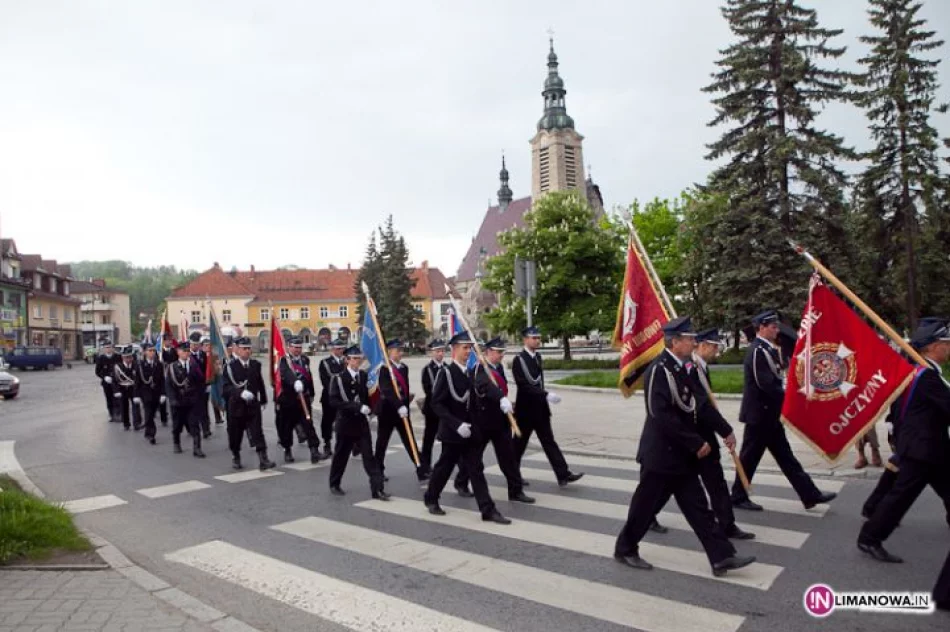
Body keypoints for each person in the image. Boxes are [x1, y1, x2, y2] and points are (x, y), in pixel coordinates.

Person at [614, 316, 756, 577]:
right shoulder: (659, 370)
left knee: (699, 507)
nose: (694, 342)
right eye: (690, 339)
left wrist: (725, 429)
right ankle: (625, 548)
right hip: (660, 456)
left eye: (693, 338)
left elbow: (701, 405)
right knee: (644, 507)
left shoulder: (685, 367)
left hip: (681, 456)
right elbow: (660, 414)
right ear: (675, 341)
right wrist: (695, 441)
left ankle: (721, 557)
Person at [858, 320, 950, 563]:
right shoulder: (927, 377)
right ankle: (869, 538)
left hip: (930, 447)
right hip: (922, 450)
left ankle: (870, 536)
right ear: (932, 347)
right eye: (946, 344)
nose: (948, 349)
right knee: (899, 498)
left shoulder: (918, 371)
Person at [730, 310, 836, 511]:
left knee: (784, 457)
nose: (776, 330)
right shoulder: (757, 351)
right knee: (750, 458)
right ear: (761, 328)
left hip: (769, 415)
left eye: (776, 326)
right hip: (760, 415)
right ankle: (738, 495)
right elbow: (766, 385)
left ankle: (809, 494)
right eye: (772, 326)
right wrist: (790, 397)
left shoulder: (768, 349)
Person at [423, 331, 511, 524]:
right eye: (465, 348)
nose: (468, 351)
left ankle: (487, 509)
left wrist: (501, 398)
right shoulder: (445, 373)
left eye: (470, 348)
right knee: (444, 467)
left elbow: (484, 387)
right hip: (453, 432)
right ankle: (431, 497)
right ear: (454, 350)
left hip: (470, 431)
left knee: (476, 469)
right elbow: (436, 404)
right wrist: (456, 424)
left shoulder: (470, 372)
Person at [675, 329, 753, 539]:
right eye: (715, 346)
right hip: (691, 438)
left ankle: (727, 525)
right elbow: (701, 405)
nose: (717, 351)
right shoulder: (690, 368)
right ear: (703, 345)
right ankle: (647, 516)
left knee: (715, 481)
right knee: (665, 483)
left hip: (704, 434)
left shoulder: (700, 368)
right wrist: (725, 430)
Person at [460, 337, 535, 504]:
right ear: (488, 352)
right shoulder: (479, 368)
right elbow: (484, 386)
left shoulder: (499, 367)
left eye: (503, 352)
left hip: (501, 421)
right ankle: (461, 482)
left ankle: (515, 491)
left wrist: (504, 401)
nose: (501, 355)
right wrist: (500, 397)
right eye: (498, 352)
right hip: (482, 421)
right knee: (474, 457)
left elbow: (500, 385)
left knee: (508, 456)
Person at [511, 326, 583, 486]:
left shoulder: (537, 357)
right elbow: (524, 385)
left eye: (538, 338)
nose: (537, 341)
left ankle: (563, 474)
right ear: (525, 339)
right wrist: (546, 394)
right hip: (525, 411)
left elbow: (538, 381)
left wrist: (544, 397)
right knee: (518, 445)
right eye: (534, 338)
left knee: (549, 442)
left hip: (541, 409)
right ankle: (513, 475)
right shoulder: (519, 360)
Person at [327, 345, 388, 499]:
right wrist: (357, 407)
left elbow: (366, 397)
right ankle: (334, 483)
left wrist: (371, 410)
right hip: (345, 424)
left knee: (369, 457)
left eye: (359, 358)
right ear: (347, 360)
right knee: (341, 456)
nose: (358, 361)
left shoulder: (363, 376)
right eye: (354, 358)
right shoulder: (338, 379)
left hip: (361, 424)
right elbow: (334, 402)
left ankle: (377, 488)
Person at [375, 339, 425, 483]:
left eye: (401, 350)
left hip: (402, 412)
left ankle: (420, 468)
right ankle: (378, 470)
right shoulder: (384, 369)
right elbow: (387, 390)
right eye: (397, 350)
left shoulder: (404, 368)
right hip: (387, 412)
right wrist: (399, 406)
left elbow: (405, 388)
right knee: (382, 443)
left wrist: (406, 405)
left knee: (410, 441)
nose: (400, 353)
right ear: (389, 351)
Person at [222, 337, 275, 471]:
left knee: (258, 432)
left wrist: (263, 399)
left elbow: (259, 382)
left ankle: (263, 459)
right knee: (236, 434)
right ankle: (236, 456)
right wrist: (239, 393)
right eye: (244, 348)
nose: (247, 351)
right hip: (236, 406)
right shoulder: (230, 367)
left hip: (252, 405)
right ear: (237, 350)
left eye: (249, 348)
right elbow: (226, 388)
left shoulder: (255, 364)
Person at [277, 337, 322, 464]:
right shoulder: (284, 360)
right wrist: (294, 382)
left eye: (299, 347)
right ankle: (287, 450)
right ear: (289, 347)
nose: (297, 350)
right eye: (295, 347)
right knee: (287, 426)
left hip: (304, 398)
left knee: (308, 423)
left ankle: (314, 450)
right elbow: (285, 374)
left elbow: (309, 376)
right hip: (288, 399)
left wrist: (312, 393)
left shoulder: (304, 359)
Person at [166, 341, 206, 458]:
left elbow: (200, 382)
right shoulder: (172, 367)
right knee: (177, 424)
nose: (186, 353)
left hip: (192, 400)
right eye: (184, 351)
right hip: (178, 401)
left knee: (195, 424)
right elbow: (169, 385)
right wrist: (172, 398)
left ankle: (197, 448)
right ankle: (176, 443)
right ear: (178, 352)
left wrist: (200, 396)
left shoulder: (194, 365)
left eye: (188, 351)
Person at [419, 339, 447, 478]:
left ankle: (444, 466)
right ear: (432, 353)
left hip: (446, 410)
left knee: (448, 439)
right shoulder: (427, 370)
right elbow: (428, 390)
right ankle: (425, 467)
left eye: (442, 351)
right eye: (437, 351)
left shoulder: (447, 368)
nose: (440, 353)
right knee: (429, 440)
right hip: (432, 410)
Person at [317, 339, 347, 458]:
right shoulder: (325, 363)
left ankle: (351, 445)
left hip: (345, 398)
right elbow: (327, 381)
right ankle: (327, 444)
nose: (340, 351)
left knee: (347, 421)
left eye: (342, 349)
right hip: (330, 397)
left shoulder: (347, 361)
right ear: (332, 349)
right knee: (328, 421)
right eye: (338, 349)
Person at [136, 342, 165, 445]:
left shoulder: (159, 364)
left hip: (156, 393)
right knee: (148, 412)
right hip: (145, 393)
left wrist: (163, 394)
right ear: (145, 352)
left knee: (152, 413)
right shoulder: (140, 365)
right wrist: (136, 395)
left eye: (153, 350)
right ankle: (151, 434)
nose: (152, 353)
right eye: (150, 350)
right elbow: (137, 381)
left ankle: (146, 428)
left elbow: (162, 380)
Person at [113, 345, 143, 431]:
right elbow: (115, 380)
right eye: (126, 357)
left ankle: (137, 423)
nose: (129, 359)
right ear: (122, 357)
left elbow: (139, 378)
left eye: (130, 357)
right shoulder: (118, 367)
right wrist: (116, 391)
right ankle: (126, 423)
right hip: (122, 389)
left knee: (136, 406)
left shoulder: (136, 365)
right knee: (124, 406)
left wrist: (140, 390)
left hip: (134, 388)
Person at [189, 332, 212, 439]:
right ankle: (193, 428)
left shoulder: (203, 355)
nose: (195, 346)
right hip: (191, 388)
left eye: (197, 344)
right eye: (193, 344)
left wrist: (208, 383)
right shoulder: (187, 356)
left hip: (202, 387)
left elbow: (207, 370)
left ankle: (206, 429)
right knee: (193, 410)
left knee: (204, 408)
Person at [202, 337, 226, 426]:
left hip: (214, 380)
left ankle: (218, 418)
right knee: (203, 403)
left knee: (214, 399)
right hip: (203, 381)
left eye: (208, 345)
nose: (207, 347)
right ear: (202, 347)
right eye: (205, 345)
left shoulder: (214, 356)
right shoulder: (201, 356)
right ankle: (205, 420)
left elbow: (218, 366)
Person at [95, 340, 118, 422]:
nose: (108, 349)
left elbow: (121, 369)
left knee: (117, 397)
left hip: (116, 382)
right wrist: (104, 377)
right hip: (106, 382)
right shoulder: (101, 358)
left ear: (112, 348)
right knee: (109, 398)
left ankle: (117, 414)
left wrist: (116, 377)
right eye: (106, 347)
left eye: (109, 347)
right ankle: (111, 414)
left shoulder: (117, 357)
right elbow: (97, 371)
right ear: (104, 349)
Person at [159, 338, 177, 426]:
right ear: (164, 341)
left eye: (170, 340)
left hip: (173, 376)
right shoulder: (160, 351)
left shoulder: (174, 351)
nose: (169, 342)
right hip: (162, 377)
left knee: (174, 397)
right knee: (162, 398)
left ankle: (175, 417)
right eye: (167, 340)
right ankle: (163, 418)